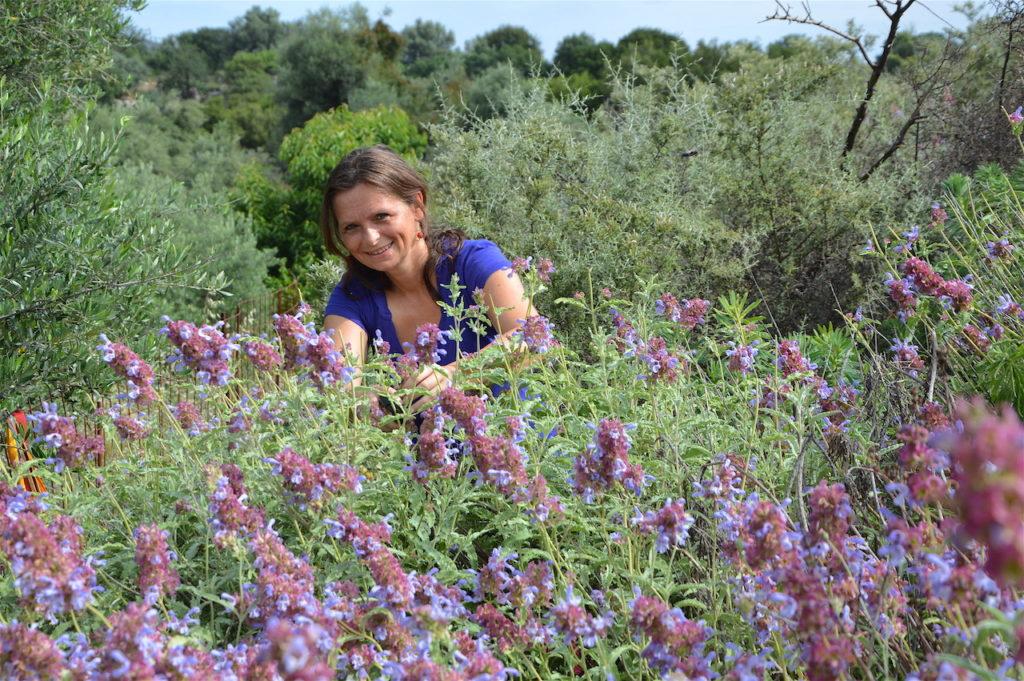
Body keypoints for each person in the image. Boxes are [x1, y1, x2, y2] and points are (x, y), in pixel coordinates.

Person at [320, 145, 536, 418]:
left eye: (381, 217)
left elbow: (533, 338)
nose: (371, 238)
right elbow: (340, 391)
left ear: (417, 206)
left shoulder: (473, 261)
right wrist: (374, 410)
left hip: (523, 450)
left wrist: (454, 374)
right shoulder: (352, 297)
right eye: (351, 227)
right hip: (437, 460)